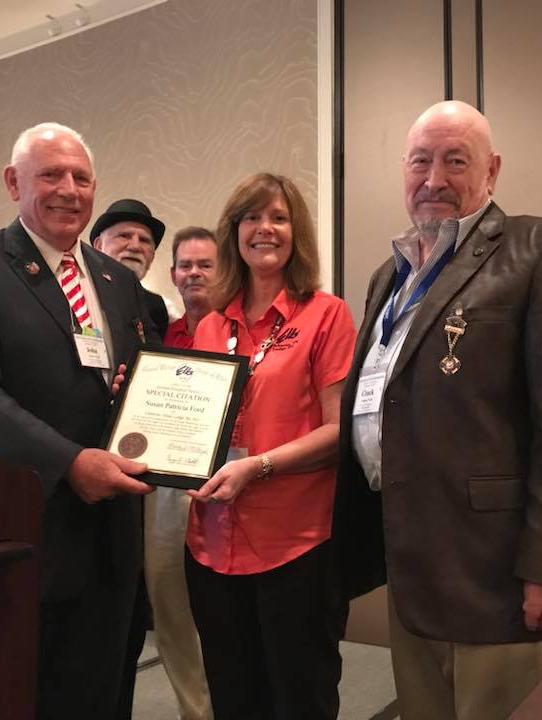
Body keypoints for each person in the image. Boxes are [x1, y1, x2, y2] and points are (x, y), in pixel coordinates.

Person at [333, 100, 542, 720]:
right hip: (409, 560)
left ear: (492, 170)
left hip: (494, 572)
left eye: (455, 161)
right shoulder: (390, 275)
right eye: (420, 162)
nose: (434, 180)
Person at [0, 122, 158, 720]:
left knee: (105, 692)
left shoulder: (118, 281)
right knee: (27, 694)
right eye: (50, 174)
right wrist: (68, 461)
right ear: (13, 182)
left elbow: (132, 383)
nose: (68, 190)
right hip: (28, 527)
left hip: (113, 530)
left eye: (81, 177)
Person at [184, 173, 357, 720]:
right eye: (251, 218)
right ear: (233, 232)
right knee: (234, 699)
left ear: (295, 231)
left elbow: (338, 432)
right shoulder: (211, 323)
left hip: (296, 543)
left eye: (278, 218)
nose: (265, 229)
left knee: (299, 698)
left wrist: (256, 467)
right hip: (211, 543)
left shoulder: (326, 315)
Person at [136, 226, 219, 720]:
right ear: (172, 274)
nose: (193, 273)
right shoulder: (161, 333)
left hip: (230, 476)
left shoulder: (242, 325)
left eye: (204, 264)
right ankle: (196, 711)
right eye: (185, 266)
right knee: (168, 598)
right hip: (167, 484)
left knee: (225, 608)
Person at [91, 198, 171, 337]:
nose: (135, 246)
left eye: (144, 240)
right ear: (98, 246)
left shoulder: (159, 308)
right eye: (124, 236)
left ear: (152, 256)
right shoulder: (78, 290)